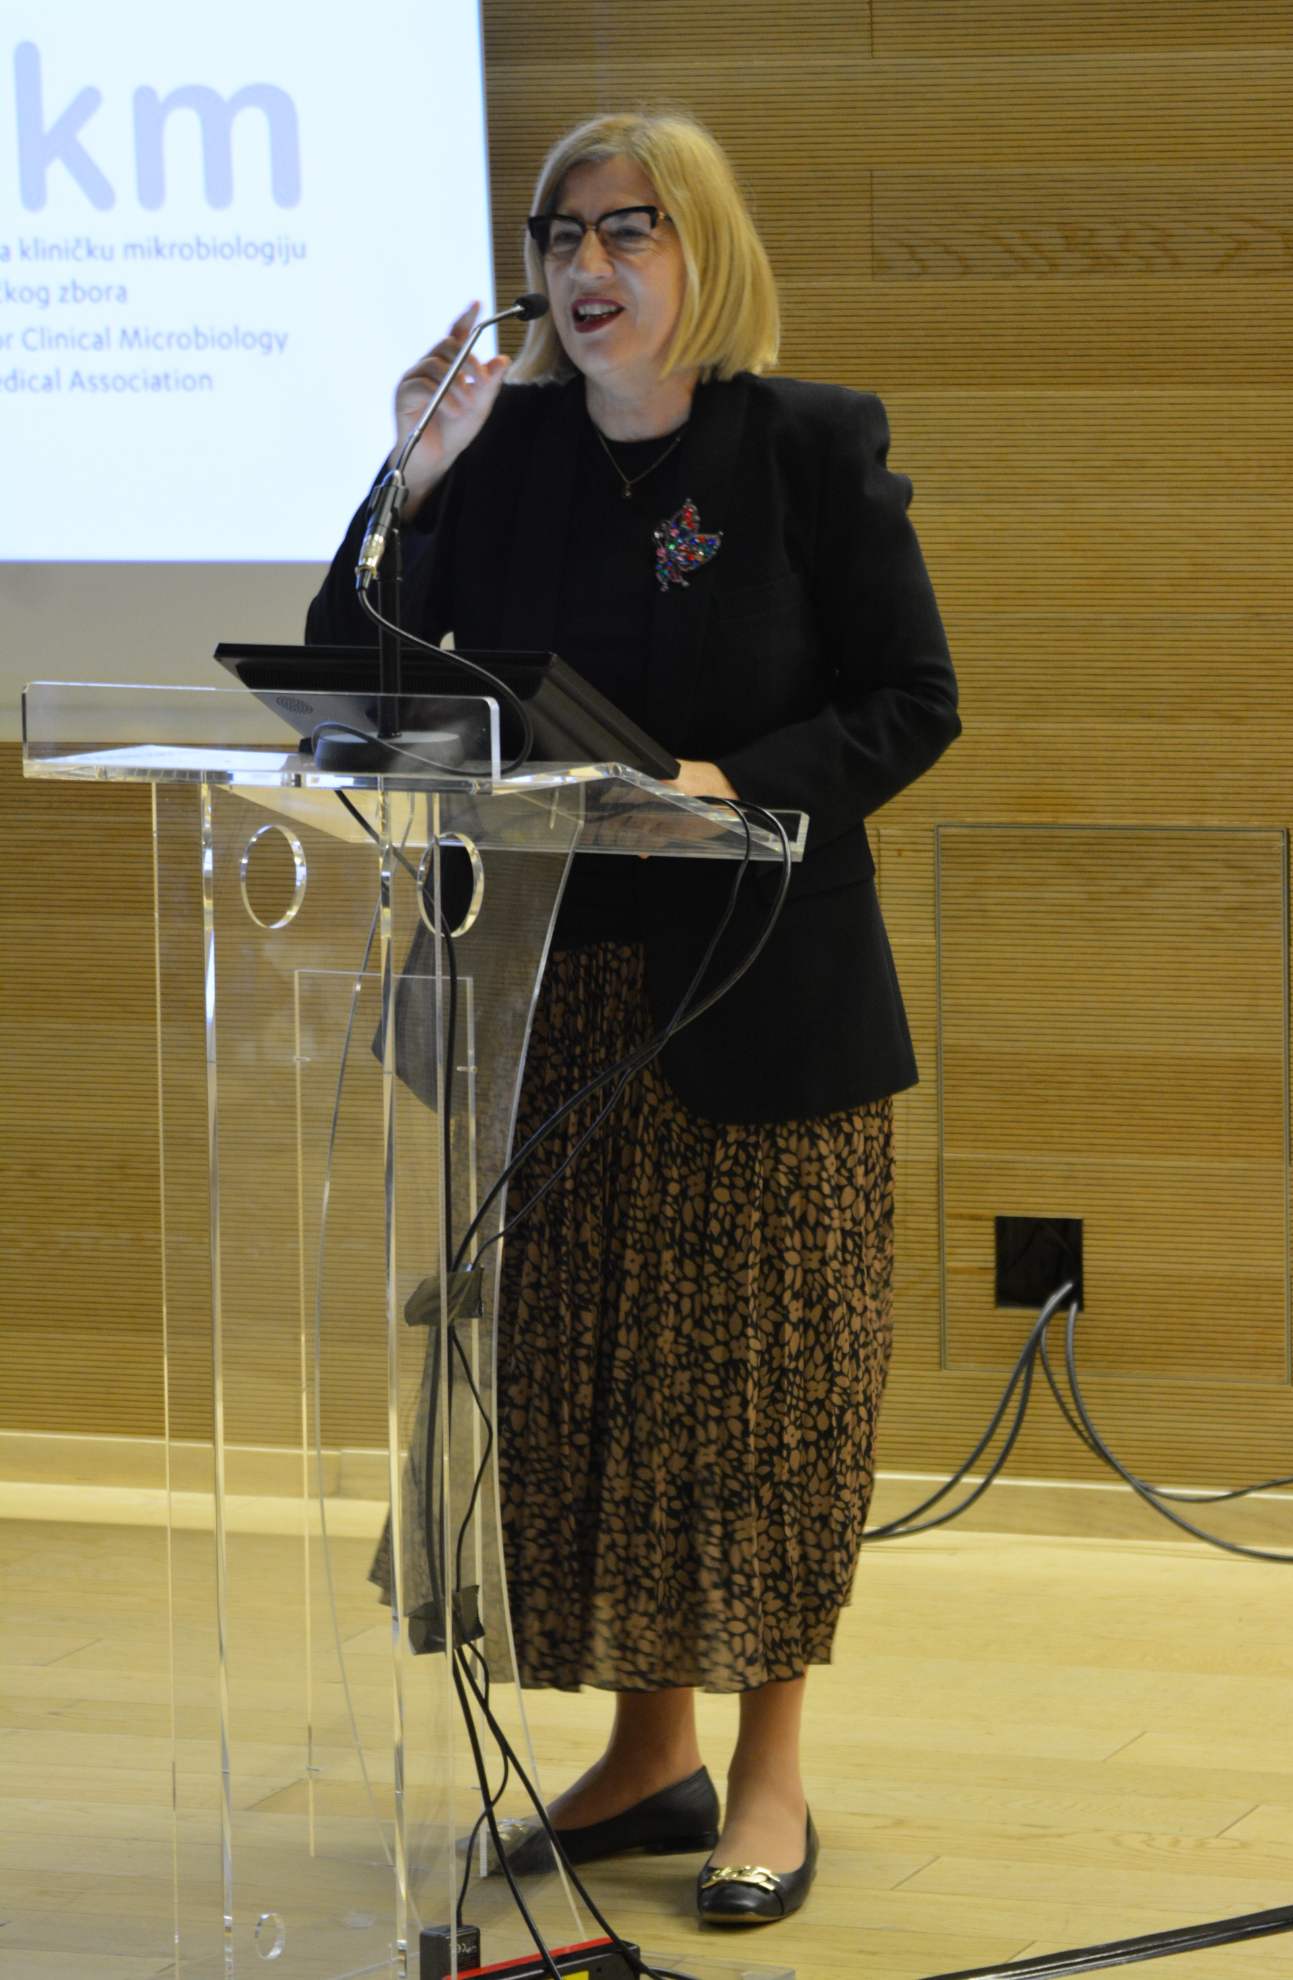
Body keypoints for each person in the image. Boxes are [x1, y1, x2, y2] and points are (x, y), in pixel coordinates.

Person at [307, 108, 959, 1926]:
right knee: (597, 1396)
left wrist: (725, 783)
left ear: (703, 251)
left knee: (755, 1400)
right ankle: (647, 1752)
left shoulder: (804, 445)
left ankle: (769, 1774)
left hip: (758, 1000)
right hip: (550, 1004)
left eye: (629, 231)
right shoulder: (500, 457)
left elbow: (913, 700)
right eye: (560, 235)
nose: (586, 266)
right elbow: (353, 676)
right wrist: (409, 482)